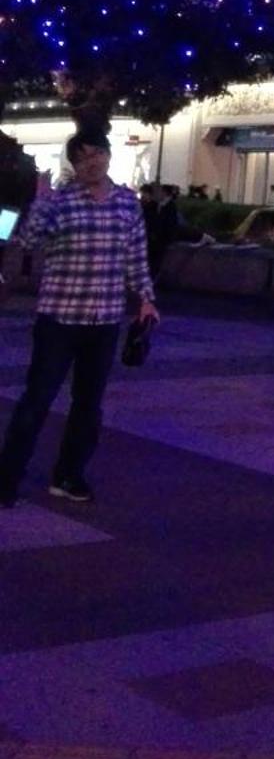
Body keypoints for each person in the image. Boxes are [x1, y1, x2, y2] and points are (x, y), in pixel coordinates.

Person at [0, 129, 159, 507]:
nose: (93, 162)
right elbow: (29, 241)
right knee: (37, 399)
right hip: (59, 317)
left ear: (108, 155)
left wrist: (146, 300)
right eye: (83, 157)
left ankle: (69, 475)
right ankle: (7, 477)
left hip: (104, 320)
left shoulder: (126, 203)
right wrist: (40, 202)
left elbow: (135, 257)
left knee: (88, 404)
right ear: (73, 164)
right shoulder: (59, 202)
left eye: (98, 154)